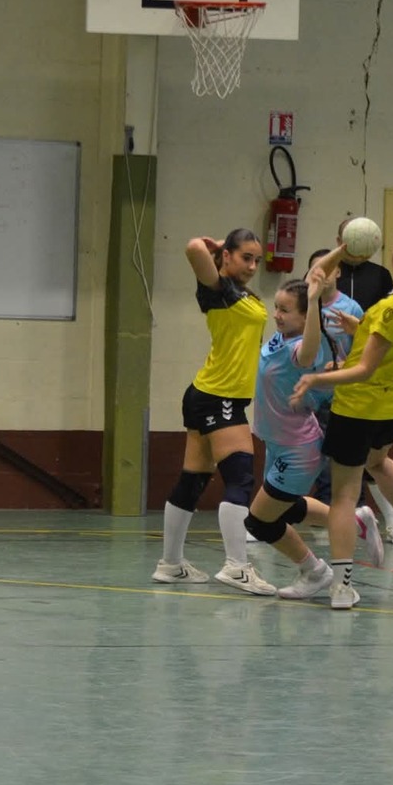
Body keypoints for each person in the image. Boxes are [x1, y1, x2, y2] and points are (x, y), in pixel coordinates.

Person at [291, 223, 393, 609]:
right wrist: (360, 328)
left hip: (359, 407)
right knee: (378, 462)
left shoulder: (389, 308)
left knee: (344, 497)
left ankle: (342, 587)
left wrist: (315, 379)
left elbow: (363, 370)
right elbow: (390, 344)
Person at [242, 250, 385, 600]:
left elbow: (309, 350)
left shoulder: (301, 349)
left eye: (284, 310)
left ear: (305, 317)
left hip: (298, 449)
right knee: (287, 507)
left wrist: (314, 303)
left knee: (260, 522)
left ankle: (315, 571)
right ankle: (353, 519)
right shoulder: (281, 336)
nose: (277, 315)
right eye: (276, 307)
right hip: (278, 444)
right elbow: (316, 276)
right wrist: (339, 252)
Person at [153, 228, 275, 595]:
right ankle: (237, 567)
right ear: (227, 257)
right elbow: (192, 247)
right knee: (240, 478)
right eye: (245, 257)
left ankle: (170, 565)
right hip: (219, 397)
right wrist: (218, 247)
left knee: (194, 480)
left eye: (256, 260)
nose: (252, 266)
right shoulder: (218, 289)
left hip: (210, 395)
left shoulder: (241, 293)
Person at [305, 246, 393, 546]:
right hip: (311, 394)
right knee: (315, 459)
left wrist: (340, 366)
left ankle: (390, 522)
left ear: (338, 272)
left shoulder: (351, 308)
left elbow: (366, 352)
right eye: (318, 269)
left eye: (329, 269)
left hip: (346, 394)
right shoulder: (304, 304)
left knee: (367, 463)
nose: (324, 274)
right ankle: (336, 518)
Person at [333, 216, 393, 314]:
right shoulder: (326, 273)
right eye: (350, 239)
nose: (355, 245)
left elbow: (388, 311)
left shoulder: (381, 274)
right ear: (339, 241)